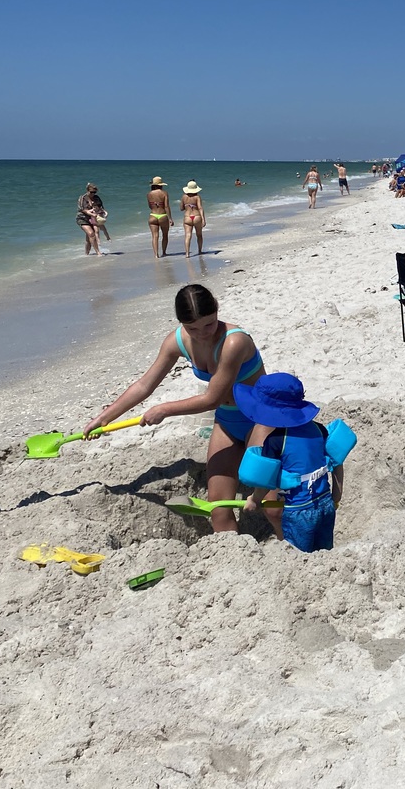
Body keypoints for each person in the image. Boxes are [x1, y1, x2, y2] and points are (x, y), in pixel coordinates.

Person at [82, 285, 265, 534]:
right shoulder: (177, 340)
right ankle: (233, 559)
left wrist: (164, 409)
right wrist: (103, 418)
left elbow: (212, 398)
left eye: (208, 325)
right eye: (192, 328)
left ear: (217, 311)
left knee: (272, 507)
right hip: (227, 422)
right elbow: (144, 384)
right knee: (218, 509)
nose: (202, 335)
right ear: (181, 323)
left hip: (262, 420)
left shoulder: (234, 341)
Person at [234, 373, 343, 552]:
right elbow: (337, 462)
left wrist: (254, 500)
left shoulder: (276, 440)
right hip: (325, 505)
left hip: (299, 511)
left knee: (298, 556)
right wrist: (336, 495)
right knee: (324, 553)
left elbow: (266, 480)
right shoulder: (319, 429)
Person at [76, 182, 106, 256]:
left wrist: (104, 213)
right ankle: (98, 252)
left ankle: (86, 254)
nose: (93, 194)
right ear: (88, 190)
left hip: (93, 219)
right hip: (82, 218)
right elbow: (83, 209)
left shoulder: (97, 198)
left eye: (95, 192)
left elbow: (101, 207)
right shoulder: (82, 198)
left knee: (89, 239)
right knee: (92, 234)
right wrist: (92, 214)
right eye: (92, 192)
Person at [147, 176, 173, 258]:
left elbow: (150, 206)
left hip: (152, 215)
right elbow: (166, 206)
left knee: (155, 236)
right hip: (162, 216)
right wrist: (170, 218)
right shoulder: (164, 193)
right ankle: (164, 252)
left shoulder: (149, 194)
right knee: (165, 235)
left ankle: (156, 254)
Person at [180, 180, 206, 257]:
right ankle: (200, 251)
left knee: (188, 235)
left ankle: (187, 253)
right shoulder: (197, 197)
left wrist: (187, 206)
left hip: (187, 217)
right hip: (196, 216)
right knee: (199, 235)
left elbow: (181, 208)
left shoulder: (184, 197)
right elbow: (200, 208)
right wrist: (203, 219)